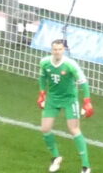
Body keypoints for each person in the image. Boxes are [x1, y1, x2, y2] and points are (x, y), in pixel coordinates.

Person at [37, 36, 94, 173]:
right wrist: (42, 93)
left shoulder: (70, 65)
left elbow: (83, 83)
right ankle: (56, 157)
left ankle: (86, 166)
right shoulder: (44, 62)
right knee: (45, 129)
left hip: (70, 100)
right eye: (55, 49)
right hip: (53, 99)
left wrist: (87, 102)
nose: (57, 52)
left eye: (59, 49)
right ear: (52, 50)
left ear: (64, 50)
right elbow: (42, 77)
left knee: (73, 129)